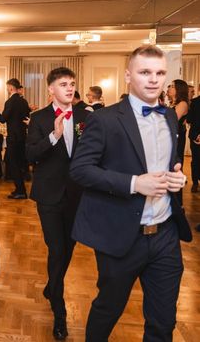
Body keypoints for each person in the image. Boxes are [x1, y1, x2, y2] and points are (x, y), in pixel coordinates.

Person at [70, 45, 192, 342]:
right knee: (108, 309)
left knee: (163, 322)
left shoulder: (169, 117)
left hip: (165, 234)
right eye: (145, 72)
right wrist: (135, 183)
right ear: (128, 76)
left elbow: (169, 161)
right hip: (121, 235)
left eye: (160, 73)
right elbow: (80, 170)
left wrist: (177, 176)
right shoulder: (105, 119)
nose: (153, 79)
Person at [25, 67, 89, 340]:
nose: (70, 88)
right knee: (57, 248)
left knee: (69, 247)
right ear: (51, 89)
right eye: (63, 84)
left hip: (77, 195)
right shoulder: (39, 118)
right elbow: (30, 154)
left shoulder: (86, 116)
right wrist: (54, 136)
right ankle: (59, 313)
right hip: (49, 195)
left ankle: (52, 284)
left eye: (72, 83)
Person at [0, 78, 30, 199]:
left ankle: (20, 191)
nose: (7, 89)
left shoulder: (10, 101)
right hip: (22, 136)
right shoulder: (23, 101)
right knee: (19, 163)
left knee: (14, 164)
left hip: (13, 137)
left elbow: (3, 119)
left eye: (7, 87)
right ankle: (21, 189)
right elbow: (26, 118)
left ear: (10, 88)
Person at [167, 79, 189, 164]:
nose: (169, 88)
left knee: (175, 163)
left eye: (172, 86)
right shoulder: (172, 103)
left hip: (177, 138)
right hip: (171, 136)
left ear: (179, 89)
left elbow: (171, 120)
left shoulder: (182, 104)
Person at [187, 86, 200, 194]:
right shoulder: (193, 102)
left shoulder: (194, 102)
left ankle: (195, 183)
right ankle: (195, 183)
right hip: (195, 136)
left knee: (195, 160)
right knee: (195, 160)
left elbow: (189, 120)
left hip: (195, 135)